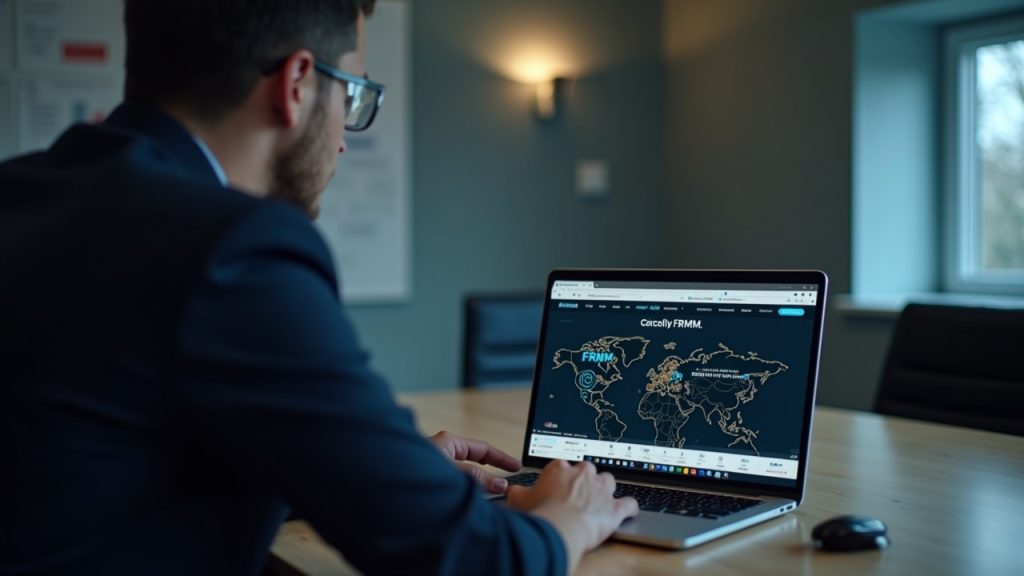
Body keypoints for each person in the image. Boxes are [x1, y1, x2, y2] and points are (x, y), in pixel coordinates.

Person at [0, 1, 638, 575]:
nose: (341, 138)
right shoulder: (234, 248)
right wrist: (567, 520)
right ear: (297, 83)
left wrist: (370, 471)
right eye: (354, 95)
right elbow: (470, 560)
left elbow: (101, 474)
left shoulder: (24, 192)